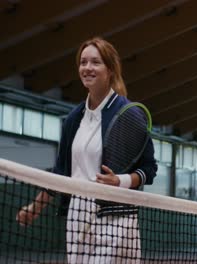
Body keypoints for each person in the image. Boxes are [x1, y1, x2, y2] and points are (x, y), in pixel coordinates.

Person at [16, 37, 157, 264]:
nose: (87, 68)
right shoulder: (73, 119)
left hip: (116, 216)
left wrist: (119, 181)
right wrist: (35, 207)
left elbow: (149, 169)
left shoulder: (129, 114)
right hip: (78, 214)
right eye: (83, 62)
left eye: (95, 62)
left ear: (110, 70)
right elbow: (61, 173)